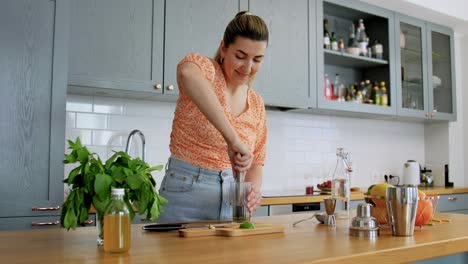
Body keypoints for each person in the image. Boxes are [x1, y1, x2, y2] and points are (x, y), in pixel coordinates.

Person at [157, 11, 269, 223]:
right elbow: (187, 74)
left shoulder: (256, 103)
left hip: (231, 204)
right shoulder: (206, 70)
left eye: (257, 59)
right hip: (184, 194)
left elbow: (257, 161)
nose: (248, 67)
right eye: (240, 56)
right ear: (224, 48)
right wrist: (233, 139)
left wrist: (252, 191)